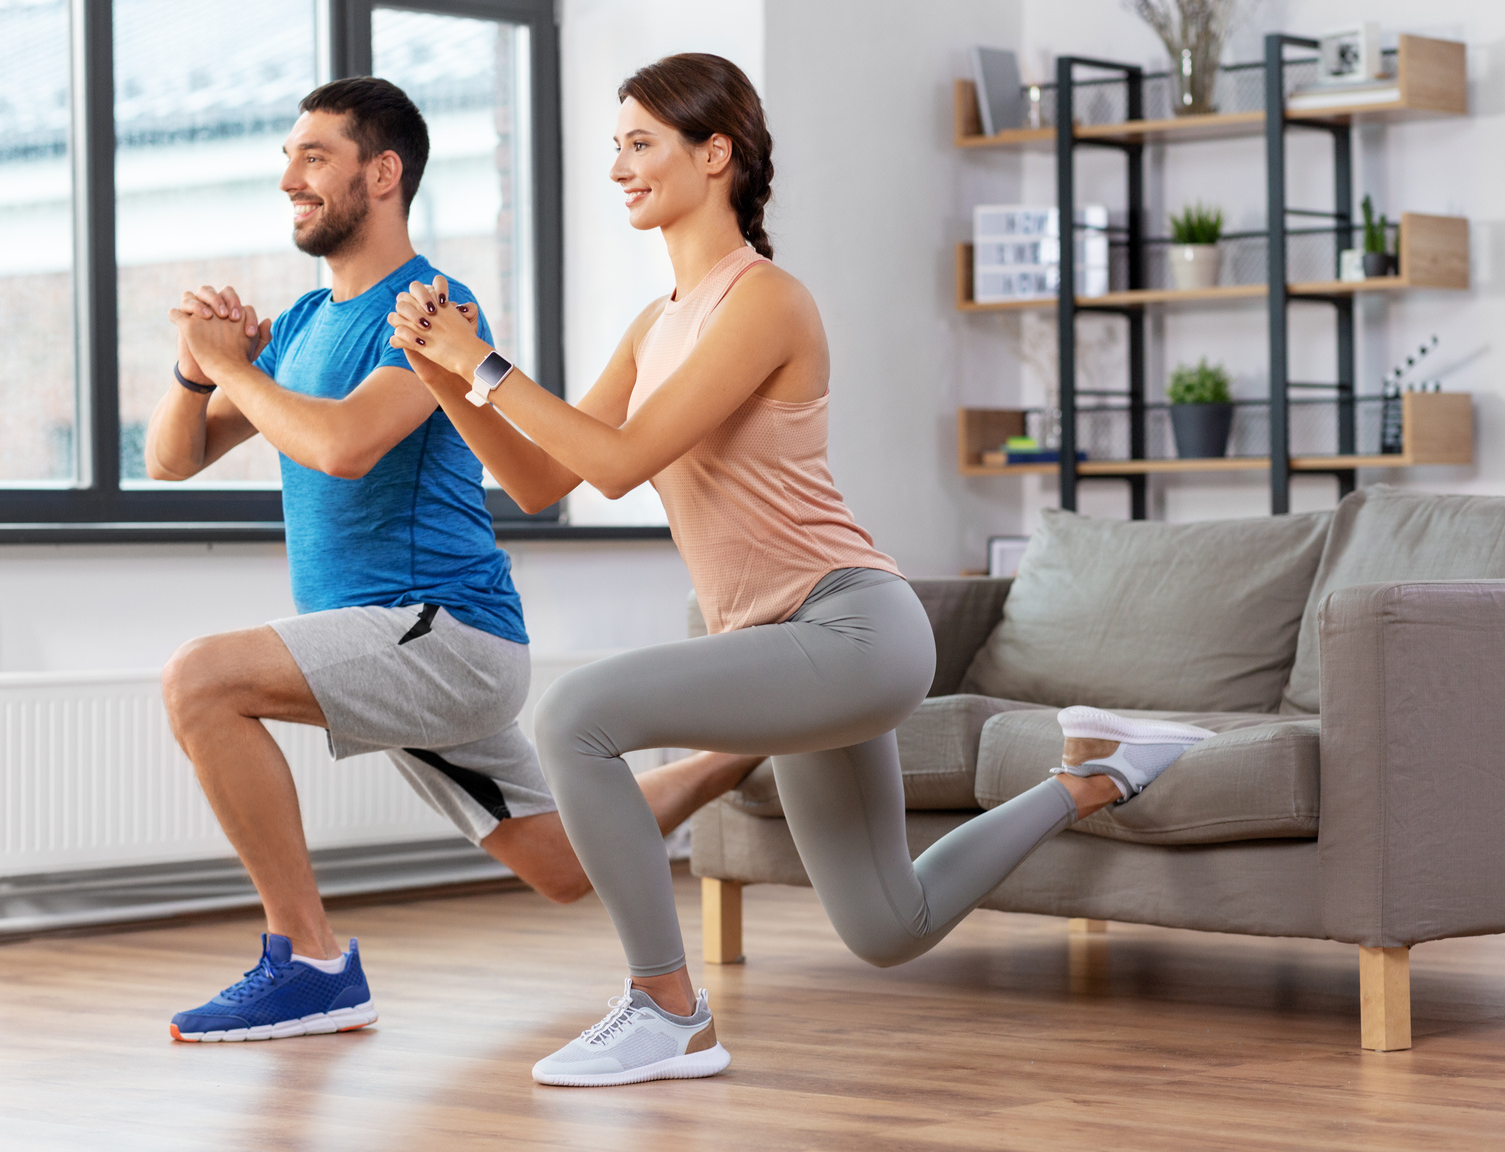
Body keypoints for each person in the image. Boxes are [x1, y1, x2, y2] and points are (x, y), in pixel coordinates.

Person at [385, 52, 1212, 1087]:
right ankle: (1099, 775)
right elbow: (546, 479)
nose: (619, 168)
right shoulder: (654, 324)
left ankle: (667, 1009)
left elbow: (623, 461)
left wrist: (484, 362)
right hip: (788, 646)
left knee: (574, 717)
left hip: (852, 629)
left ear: (714, 153)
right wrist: (448, 381)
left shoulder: (766, 301)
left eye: (639, 143)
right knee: (889, 923)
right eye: (616, 147)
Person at [151, 75, 760, 1044]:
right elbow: (171, 460)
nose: (290, 181)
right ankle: (751, 750)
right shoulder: (303, 326)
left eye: (314, 158)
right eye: (287, 160)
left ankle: (309, 963)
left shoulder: (431, 307)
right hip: (388, 639)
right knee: (561, 864)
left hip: (443, 633)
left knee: (201, 681)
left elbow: (345, 446)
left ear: (382, 174)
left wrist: (229, 365)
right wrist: (194, 371)